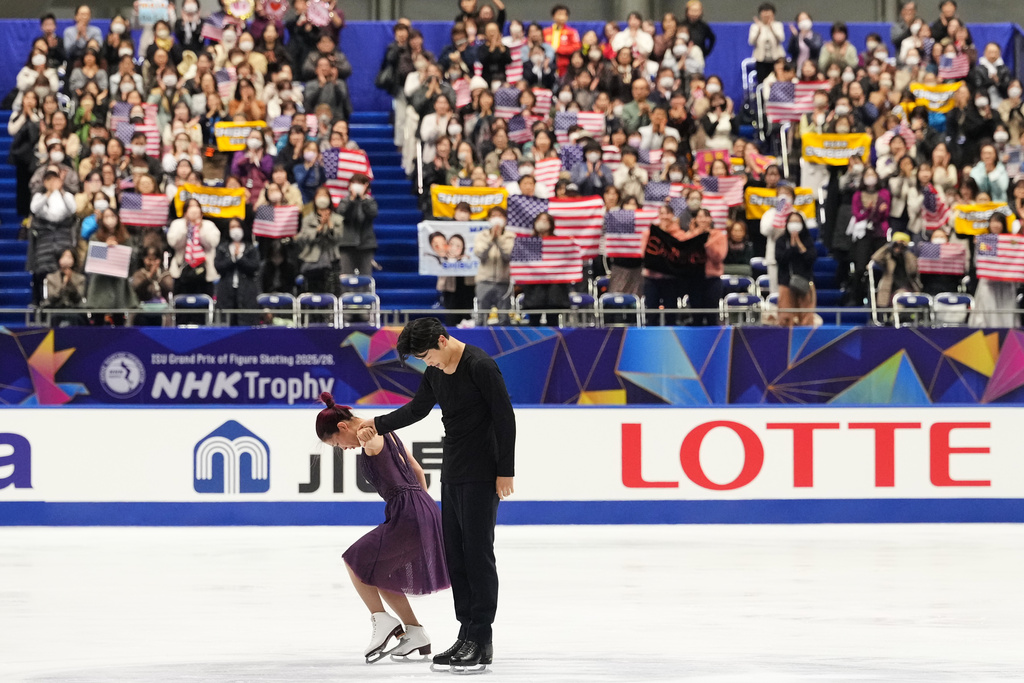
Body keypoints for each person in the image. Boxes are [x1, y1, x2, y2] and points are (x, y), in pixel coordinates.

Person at [356, 317, 515, 674]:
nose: (425, 363)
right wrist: (377, 424)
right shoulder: (436, 372)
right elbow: (417, 409)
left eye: (426, 355)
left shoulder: (480, 366)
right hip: (454, 468)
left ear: (443, 341)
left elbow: (505, 418)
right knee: (456, 554)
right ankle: (467, 633)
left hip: (484, 469)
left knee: (478, 554)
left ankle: (480, 634)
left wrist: (506, 470)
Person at [971, 214, 1017, 328]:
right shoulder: (983, 240)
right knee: (987, 311)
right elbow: (977, 262)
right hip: (988, 283)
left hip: (1006, 283)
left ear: (1003, 224)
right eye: (992, 221)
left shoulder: (1011, 241)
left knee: (1006, 311)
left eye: (998, 222)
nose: (995, 225)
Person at [214, 219, 261, 326]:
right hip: (226, 290)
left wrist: (240, 257)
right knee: (227, 322)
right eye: (232, 227)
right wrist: (232, 259)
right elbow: (219, 266)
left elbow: (254, 266)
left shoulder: (250, 248)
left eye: (238, 226)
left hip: (246, 291)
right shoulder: (222, 248)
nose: (235, 230)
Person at [473, 206, 515, 324]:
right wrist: (491, 239)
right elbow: (480, 253)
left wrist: (499, 239)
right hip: (484, 281)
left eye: (500, 216)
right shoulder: (482, 235)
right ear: (488, 219)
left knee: (504, 318)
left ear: (505, 219)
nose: (497, 219)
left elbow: (509, 254)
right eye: (493, 216)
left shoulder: (510, 236)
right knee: (481, 317)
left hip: (503, 282)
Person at [775, 212, 817, 326]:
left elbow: (811, 258)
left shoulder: (808, 240)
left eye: (797, 222)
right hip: (786, 282)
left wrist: (800, 245)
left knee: (806, 317)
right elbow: (780, 259)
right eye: (792, 222)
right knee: (785, 317)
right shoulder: (781, 241)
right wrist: (792, 247)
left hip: (805, 282)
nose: (794, 225)